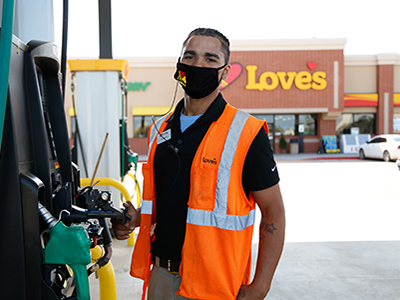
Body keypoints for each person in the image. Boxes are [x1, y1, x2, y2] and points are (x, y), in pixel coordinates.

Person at [111, 28, 285, 300]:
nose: (197, 65)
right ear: (179, 64)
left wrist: (261, 285)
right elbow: (169, 200)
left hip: (214, 284)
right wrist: (136, 219)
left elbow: (274, 212)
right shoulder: (160, 129)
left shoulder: (246, 132)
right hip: (160, 274)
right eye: (190, 57)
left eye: (210, 59)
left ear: (225, 72)